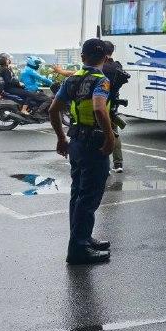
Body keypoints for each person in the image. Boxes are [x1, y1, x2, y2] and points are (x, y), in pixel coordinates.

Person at [48, 39, 115, 265]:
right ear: (105, 58)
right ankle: (78, 249)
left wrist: (61, 138)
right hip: (94, 143)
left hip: (76, 141)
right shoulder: (101, 80)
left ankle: (81, 238)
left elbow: (53, 110)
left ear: (82, 57)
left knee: (78, 193)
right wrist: (110, 136)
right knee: (89, 196)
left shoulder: (71, 79)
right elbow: (99, 108)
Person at [102, 41, 130, 174]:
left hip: (101, 102)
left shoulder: (101, 68)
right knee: (114, 132)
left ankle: (104, 165)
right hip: (113, 103)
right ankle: (118, 163)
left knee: (100, 133)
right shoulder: (117, 66)